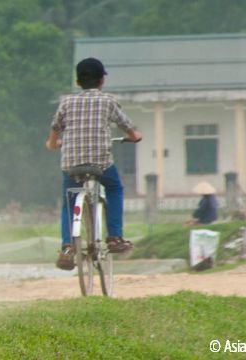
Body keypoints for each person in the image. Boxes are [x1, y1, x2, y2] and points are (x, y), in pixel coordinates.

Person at [46, 57, 143, 271]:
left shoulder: (67, 102)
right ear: (101, 81)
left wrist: (53, 144)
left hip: (71, 163)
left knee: (69, 203)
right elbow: (126, 126)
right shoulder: (108, 101)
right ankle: (115, 237)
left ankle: (67, 247)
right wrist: (135, 136)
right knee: (115, 188)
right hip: (100, 162)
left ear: (78, 81)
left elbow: (54, 130)